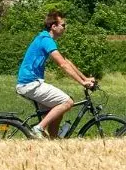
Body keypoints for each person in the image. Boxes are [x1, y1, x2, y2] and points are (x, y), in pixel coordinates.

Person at [16, 10, 97, 139]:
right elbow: (63, 65)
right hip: (30, 84)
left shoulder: (46, 39)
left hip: (31, 83)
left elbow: (66, 61)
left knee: (57, 113)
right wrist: (82, 83)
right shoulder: (46, 40)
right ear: (54, 26)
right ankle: (38, 128)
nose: (65, 28)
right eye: (63, 25)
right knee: (67, 102)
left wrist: (85, 78)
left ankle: (53, 142)